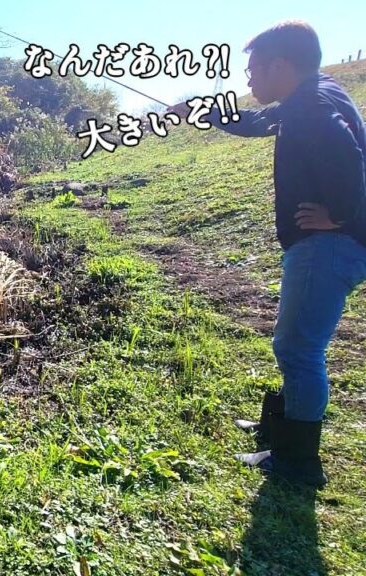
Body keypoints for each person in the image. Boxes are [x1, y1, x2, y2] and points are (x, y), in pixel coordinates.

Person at [168, 20, 366, 487]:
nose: (249, 79)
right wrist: (201, 112)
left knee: (298, 348)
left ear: (281, 65)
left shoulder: (312, 108)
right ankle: (276, 427)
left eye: (254, 69)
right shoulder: (311, 95)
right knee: (294, 340)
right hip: (327, 244)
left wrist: (341, 214)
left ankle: (296, 461)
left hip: (328, 245)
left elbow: (347, 152)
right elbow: (258, 122)